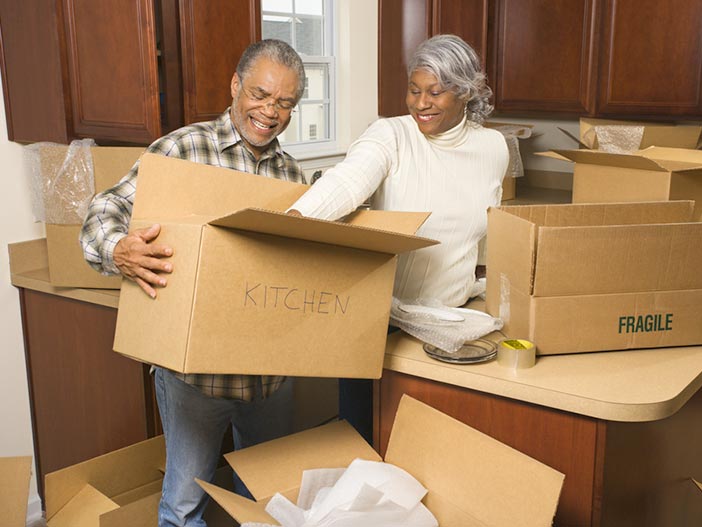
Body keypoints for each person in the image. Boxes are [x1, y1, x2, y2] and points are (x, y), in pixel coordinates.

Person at [80, 39, 306, 527]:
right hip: (195, 378)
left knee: (267, 504)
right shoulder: (184, 148)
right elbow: (106, 208)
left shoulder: (291, 172)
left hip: (270, 375)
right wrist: (118, 249)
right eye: (261, 94)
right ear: (235, 86)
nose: (270, 111)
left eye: (285, 102)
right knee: (184, 505)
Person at [288, 34, 509, 441]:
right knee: (363, 442)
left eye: (435, 92)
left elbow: (485, 229)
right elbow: (346, 183)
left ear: (465, 93)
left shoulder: (493, 147)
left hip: (449, 325)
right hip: (379, 323)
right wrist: (290, 222)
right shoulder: (391, 135)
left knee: (428, 446)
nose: (421, 103)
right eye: (413, 89)